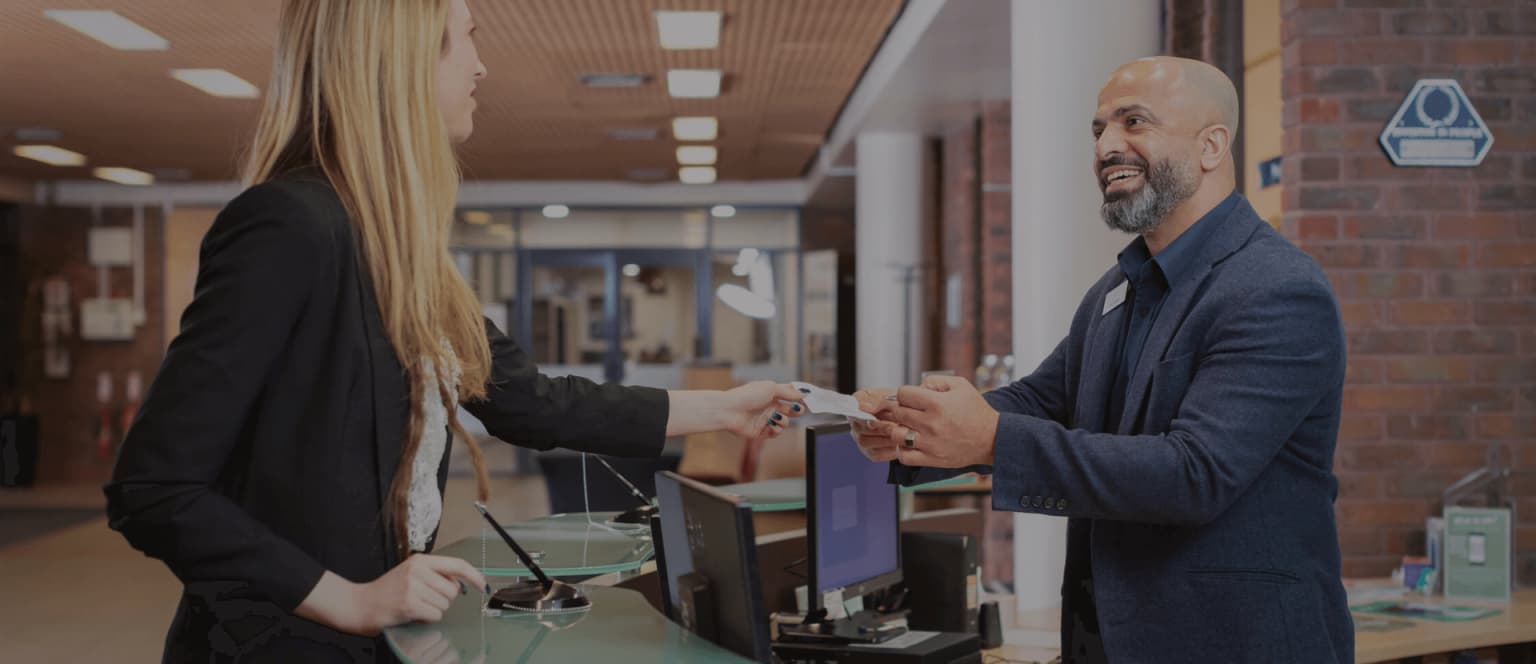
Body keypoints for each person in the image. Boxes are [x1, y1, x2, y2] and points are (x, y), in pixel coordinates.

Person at [103, 1, 803, 661]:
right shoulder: (291, 225)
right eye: (466, 37)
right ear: (404, 60)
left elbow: (529, 402)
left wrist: (726, 407)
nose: (480, 66)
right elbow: (155, 487)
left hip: (383, 641)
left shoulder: (401, 250)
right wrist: (346, 599)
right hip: (278, 644)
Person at [853, 57, 1351, 663]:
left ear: (1212, 146)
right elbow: (1045, 401)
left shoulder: (1275, 288)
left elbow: (1195, 475)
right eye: (1098, 131)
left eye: (1133, 122)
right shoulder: (1119, 286)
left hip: (1233, 644)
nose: (1107, 146)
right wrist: (914, 425)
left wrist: (990, 441)